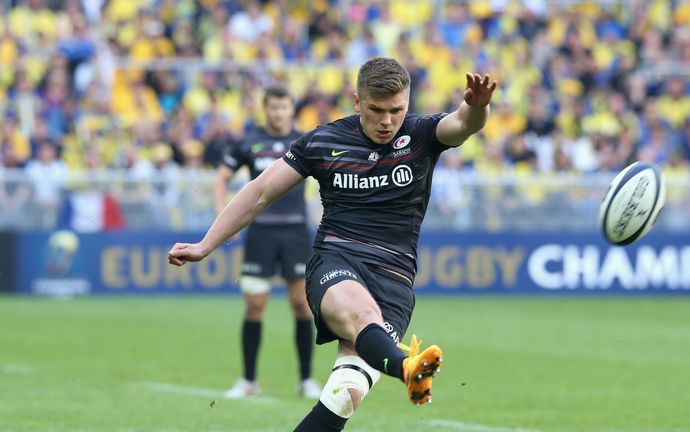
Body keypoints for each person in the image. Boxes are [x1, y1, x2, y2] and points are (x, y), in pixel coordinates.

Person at [168, 57, 497, 431]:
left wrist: (477, 106)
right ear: (357, 102)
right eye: (376, 110)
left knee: (345, 395)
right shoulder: (322, 142)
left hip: (395, 278)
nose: (387, 121)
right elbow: (260, 192)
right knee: (360, 314)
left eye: (396, 110)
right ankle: (408, 368)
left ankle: (400, 367)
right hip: (337, 261)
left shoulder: (421, 134)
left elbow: (463, 125)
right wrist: (206, 244)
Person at [211, 85, 321, 399]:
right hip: (260, 232)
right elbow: (220, 178)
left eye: (284, 107)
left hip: (296, 231)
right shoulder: (248, 142)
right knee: (254, 306)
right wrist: (224, 217)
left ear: (292, 109)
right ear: (265, 108)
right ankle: (248, 380)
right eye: (273, 107)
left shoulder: (305, 142)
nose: (279, 113)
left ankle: (305, 380)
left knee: (301, 305)